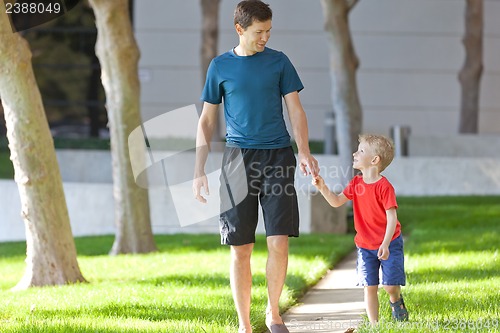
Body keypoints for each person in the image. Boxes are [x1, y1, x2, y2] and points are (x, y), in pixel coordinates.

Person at [192, 1, 319, 332]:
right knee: (241, 247)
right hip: (237, 160)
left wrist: (303, 149)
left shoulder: (279, 63)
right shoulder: (220, 67)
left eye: (268, 31)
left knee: (278, 240)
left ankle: (273, 313)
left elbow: (296, 110)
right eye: (259, 32)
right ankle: (244, 325)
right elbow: (207, 120)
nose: (265, 37)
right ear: (240, 29)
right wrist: (198, 169)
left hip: (278, 156)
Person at [312, 134, 408, 324]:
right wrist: (323, 187)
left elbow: (392, 217)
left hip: (389, 242)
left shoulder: (384, 187)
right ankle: (374, 326)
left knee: (390, 286)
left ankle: (396, 300)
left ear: (374, 160)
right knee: (369, 286)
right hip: (365, 246)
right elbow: (337, 201)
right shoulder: (356, 183)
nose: (355, 153)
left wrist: (386, 243)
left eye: (361, 150)